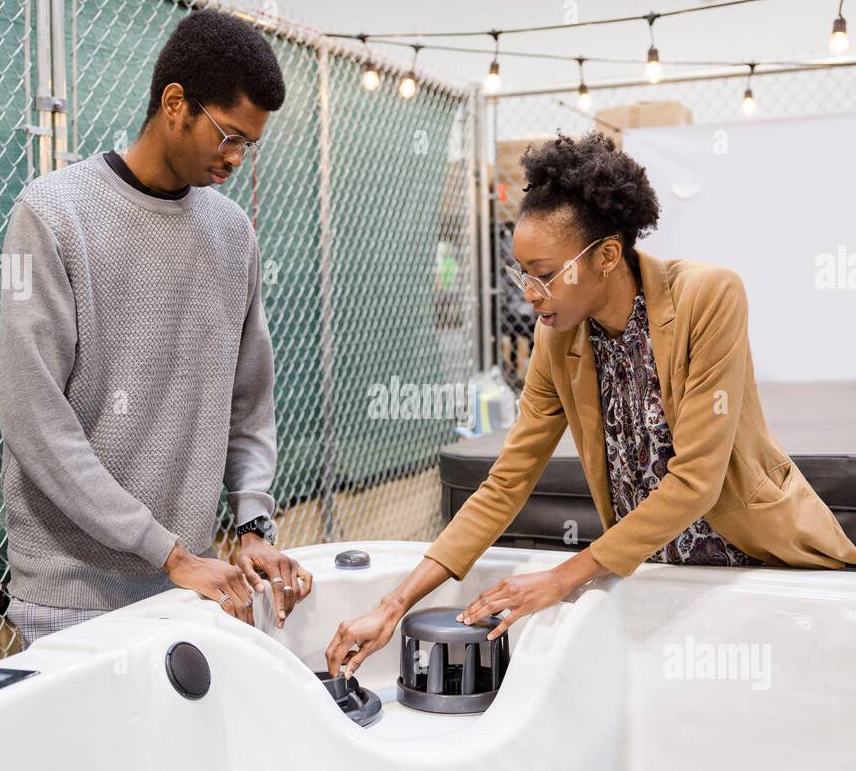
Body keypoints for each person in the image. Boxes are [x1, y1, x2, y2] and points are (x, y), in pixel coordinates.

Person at [326, 130, 856, 677]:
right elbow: (506, 482)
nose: (530, 295)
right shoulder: (557, 339)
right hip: (649, 574)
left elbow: (697, 480)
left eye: (546, 274)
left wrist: (562, 577)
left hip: (753, 564)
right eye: (522, 274)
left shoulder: (709, 296)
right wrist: (392, 606)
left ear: (606, 255)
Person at [0, 7, 312, 649]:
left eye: (250, 144)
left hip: (189, 583)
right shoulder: (51, 215)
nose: (238, 159)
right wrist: (166, 551)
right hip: (72, 595)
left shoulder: (233, 234)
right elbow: (35, 422)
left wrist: (253, 524)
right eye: (229, 136)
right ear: (176, 103)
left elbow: (247, 405)